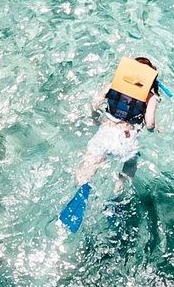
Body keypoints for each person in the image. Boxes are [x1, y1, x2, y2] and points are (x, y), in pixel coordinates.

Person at [59, 56, 162, 233]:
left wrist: (94, 119)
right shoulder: (150, 96)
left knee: (89, 165)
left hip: (105, 133)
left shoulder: (115, 85)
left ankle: (84, 187)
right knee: (128, 167)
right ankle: (117, 197)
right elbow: (150, 123)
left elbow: (95, 103)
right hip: (126, 138)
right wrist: (152, 129)